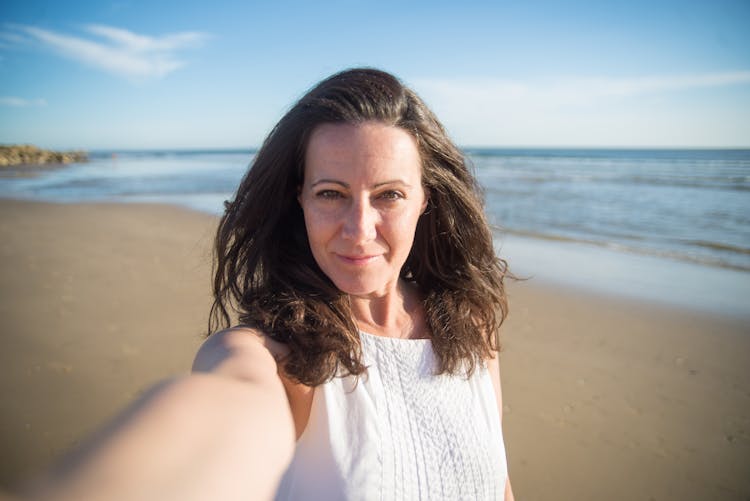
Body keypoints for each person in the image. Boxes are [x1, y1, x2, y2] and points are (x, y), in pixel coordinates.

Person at [24, 68, 514, 501]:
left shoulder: (470, 328)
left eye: (389, 194)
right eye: (331, 194)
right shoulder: (275, 357)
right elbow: (226, 411)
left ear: (425, 199)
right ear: (298, 199)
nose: (359, 228)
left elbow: (502, 487)